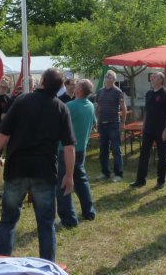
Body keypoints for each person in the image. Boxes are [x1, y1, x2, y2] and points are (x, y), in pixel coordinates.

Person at [0, 67, 76, 262]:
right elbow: (69, 147)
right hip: (44, 171)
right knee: (46, 224)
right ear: (60, 87)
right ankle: (47, 267)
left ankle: (0, 265)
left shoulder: (22, 101)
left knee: (8, 221)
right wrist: (69, 175)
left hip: (17, 168)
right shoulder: (61, 107)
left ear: (42, 81)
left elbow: (2, 134)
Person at [56, 79, 97, 227]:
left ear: (79, 90)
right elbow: (94, 124)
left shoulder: (69, 106)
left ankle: (68, 219)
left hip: (65, 150)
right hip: (81, 149)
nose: (74, 86)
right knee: (81, 179)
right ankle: (89, 212)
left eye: (76, 85)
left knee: (63, 182)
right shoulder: (90, 106)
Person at [130, 72, 166, 189]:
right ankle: (140, 180)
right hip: (148, 129)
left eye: (154, 77)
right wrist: (143, 125)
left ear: (161, 80)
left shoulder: (165, 95)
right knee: (144, 155)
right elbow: (147, 111)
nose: (152, 78)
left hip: (161, 130)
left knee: (161, 156)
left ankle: (161, 181)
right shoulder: (149, 93)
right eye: (152, 77)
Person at [95, 70, 127, 182]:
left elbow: (123, 108)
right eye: (106, 75)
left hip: (114, 124)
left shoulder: (118, 91)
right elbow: (98, 107)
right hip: (102, 124)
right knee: (103, 150)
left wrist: (123, 122)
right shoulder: (100, 91)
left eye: (110, 75)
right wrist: (96, 120)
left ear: (114, 79)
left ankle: (118, 174)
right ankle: (105, 173)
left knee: (116, 150)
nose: (107, 76)